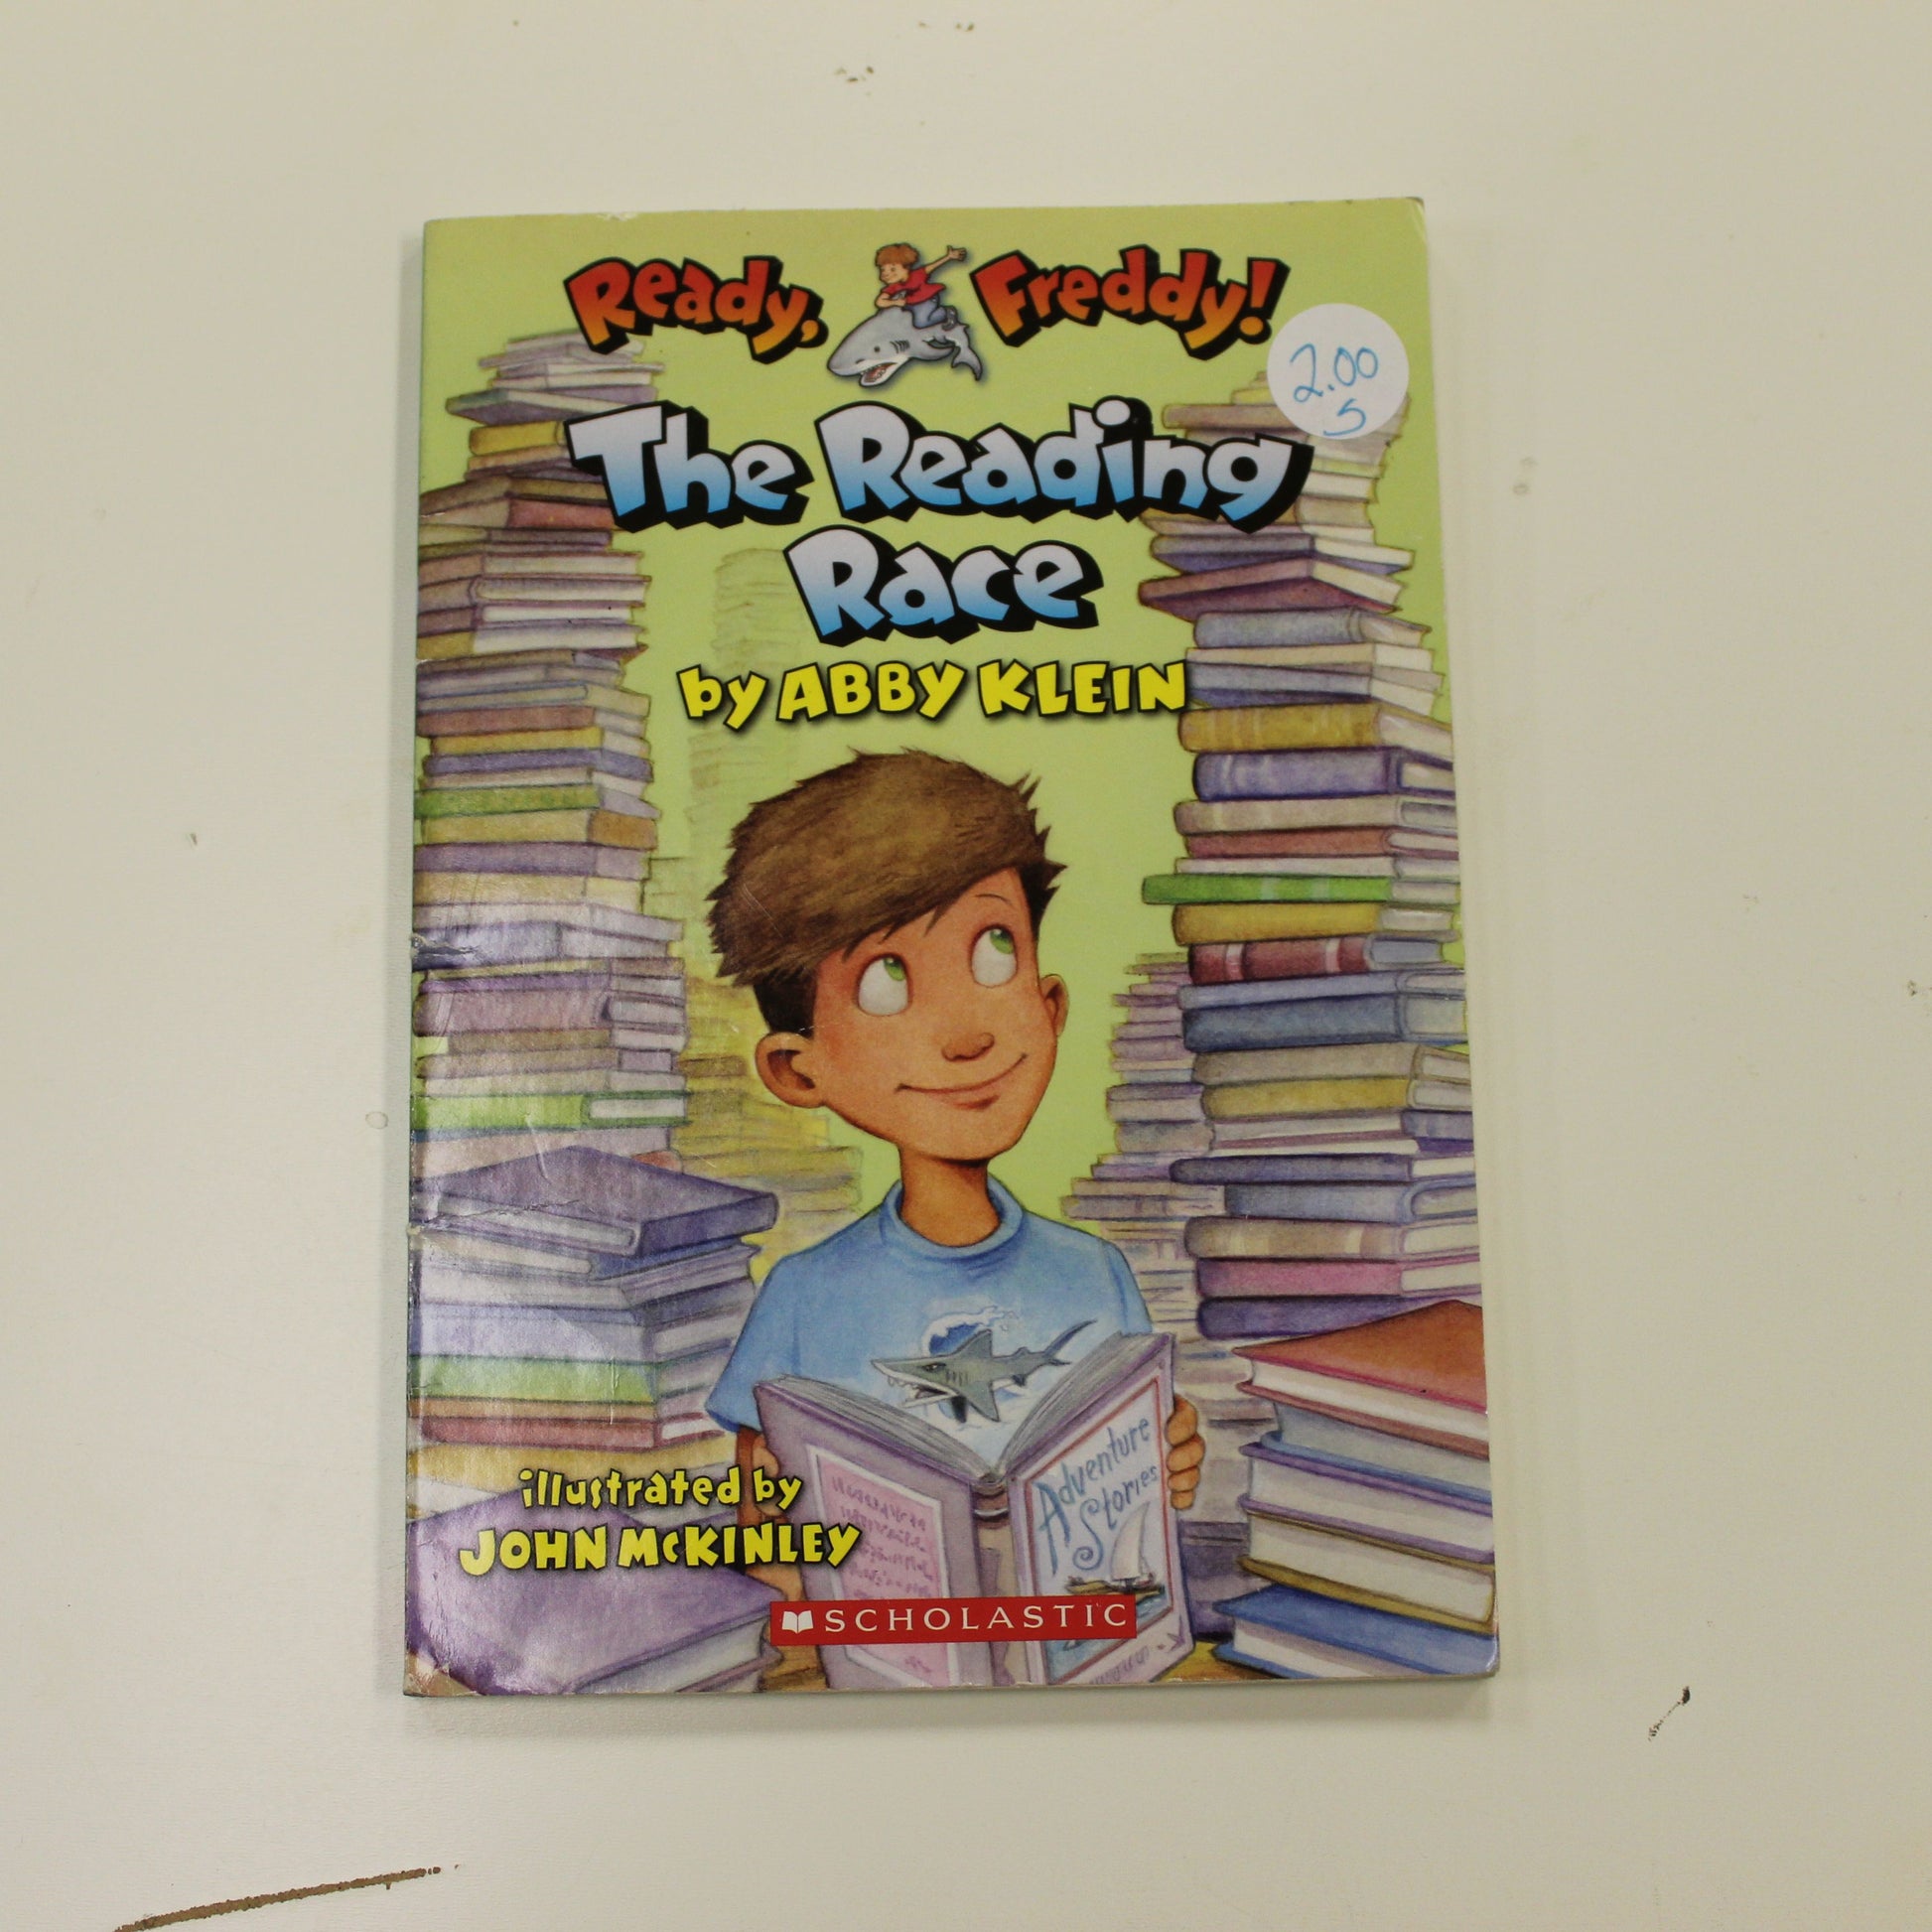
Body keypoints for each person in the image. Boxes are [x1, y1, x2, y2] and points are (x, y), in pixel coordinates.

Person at [704, 751, 1204, 1517]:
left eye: (994, 950)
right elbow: (764, 1536)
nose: (968, 1036)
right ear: (798, 1070)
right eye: (886, 982)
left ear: (1050, 1006)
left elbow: (1140, 1505)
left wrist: (1164, 1468)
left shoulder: (1098, 1277)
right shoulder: (803, 1297)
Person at [874, 241, 966, 329]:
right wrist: (895, 302)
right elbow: (879, 301)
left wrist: (948, 257)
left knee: (921, 322)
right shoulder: (893, 286)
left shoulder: (918, 275)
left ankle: (947, 312)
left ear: (906, 268)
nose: (885, 274)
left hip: (927, 299)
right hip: (911, 303)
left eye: (893, 269)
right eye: (883, 269)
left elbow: (933, 266)